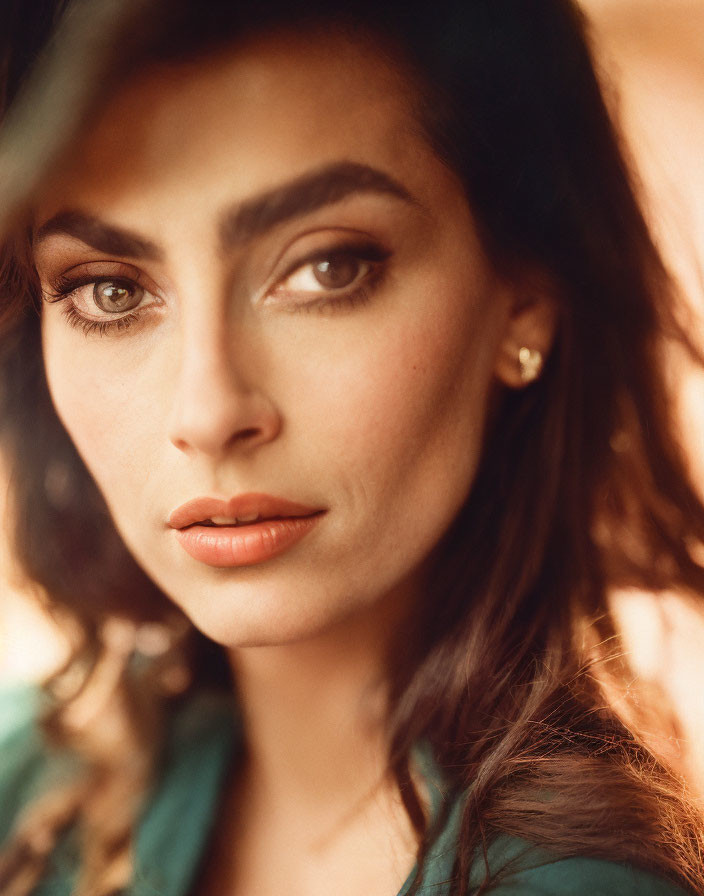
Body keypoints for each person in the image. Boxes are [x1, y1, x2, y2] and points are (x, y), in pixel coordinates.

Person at [0, 1, 702, 894]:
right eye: (108, 290)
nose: (209, 411)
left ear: (524, 297)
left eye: (327, 267)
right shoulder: (32, 795)